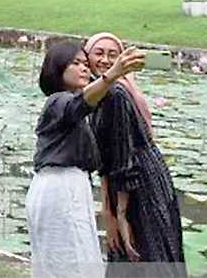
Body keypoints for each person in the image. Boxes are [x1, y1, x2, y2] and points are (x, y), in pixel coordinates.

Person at [26, 40, 144, 278]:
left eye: (85, 63)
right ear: (58, 69)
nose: (84, 68)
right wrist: (112, 74)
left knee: (71, 262)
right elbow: (81, 103)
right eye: (76, 63)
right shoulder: (57, 102)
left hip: (69, 187)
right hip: (60, 188)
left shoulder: (75, 105)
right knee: (68, 264)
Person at [85, 33, 187, 276]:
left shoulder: (115, 94)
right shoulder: (99, 92)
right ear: (86, 56)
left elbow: (123, 158)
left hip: (138, 186)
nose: (105, 60)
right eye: (98, 53)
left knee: (142, 253)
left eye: (113, 55)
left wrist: (118, 214)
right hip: (131, 180)